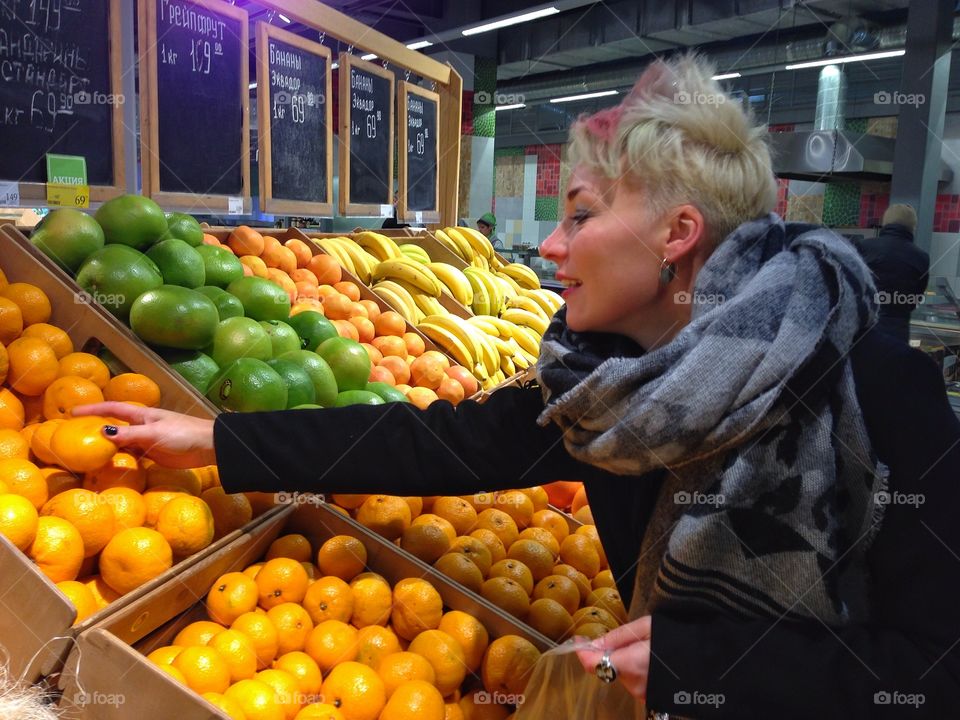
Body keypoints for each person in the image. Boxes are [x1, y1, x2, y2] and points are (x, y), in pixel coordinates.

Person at [75, 55, 960, 718]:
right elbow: (441, 442)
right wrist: (213, 440)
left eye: (580, 214)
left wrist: (712, 666)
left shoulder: (879, 392)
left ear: (675, 236)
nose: (549, 246)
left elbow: (936, 665)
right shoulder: (606, 386)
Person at [855, 203, 930, 343]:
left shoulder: (864, 247)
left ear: (885, 222)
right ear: (913, 227)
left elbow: (852, 285)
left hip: (863, 328)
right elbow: (916, 298)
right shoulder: (921, 257)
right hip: (898, 332)